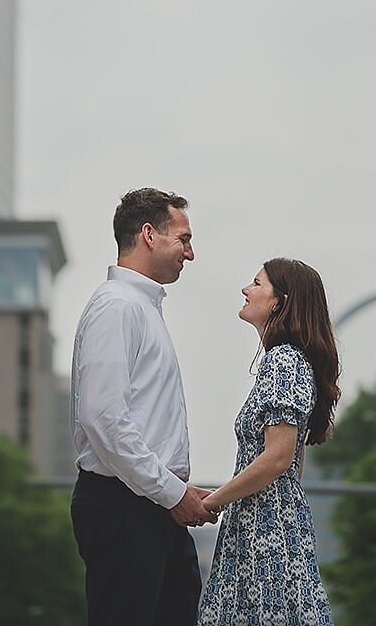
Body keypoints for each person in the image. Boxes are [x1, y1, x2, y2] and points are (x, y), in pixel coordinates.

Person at [71, 188, 216, 626]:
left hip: (150, 504)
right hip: (127, 505)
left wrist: (172, 493)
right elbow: (103, 418)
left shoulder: (139, 307)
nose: (190, 253)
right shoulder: (117, 307)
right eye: (183, 239)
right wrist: (172, 493)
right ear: (149, 234)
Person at [197, 257, 341, 626]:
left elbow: (278, 458)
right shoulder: (292, 362)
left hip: (266, 529)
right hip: (270, 522)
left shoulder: (283, 361)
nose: (246, 290)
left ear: (280, 301)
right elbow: (294, 467)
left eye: (257, 283)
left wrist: (212, 501)